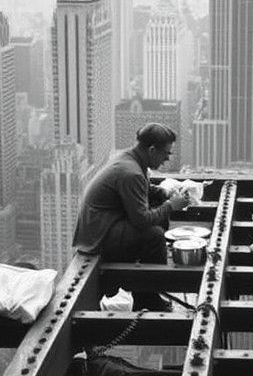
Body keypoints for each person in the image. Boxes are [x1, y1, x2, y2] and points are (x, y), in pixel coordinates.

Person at [72, 123, 191, 310]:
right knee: (155, 236)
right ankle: (148, 298)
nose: (166, 160)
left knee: (157, 213)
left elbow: (141, 190)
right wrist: (171, 205)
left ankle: (143, 288)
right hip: (99, 236)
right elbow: (142, 221)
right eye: (166, 154)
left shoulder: (130, 160)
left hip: (102, 226)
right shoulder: (131, 172)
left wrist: (163, 193)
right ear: (152, 150)